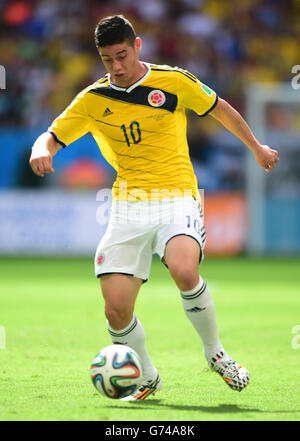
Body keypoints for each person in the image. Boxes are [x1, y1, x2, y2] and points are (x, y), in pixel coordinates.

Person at [29, 15, 279, 400]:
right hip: (128, 206)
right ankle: (147, 375)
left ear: (138, 46)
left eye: (123, 55)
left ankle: (216, 354)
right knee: (115, 310)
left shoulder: (173, 82)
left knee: (182, 267)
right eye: (108, 59)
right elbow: (53, 134)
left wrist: (257, 147)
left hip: (177, 195)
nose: (117, 66)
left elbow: (221, 108)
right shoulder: (92, 100)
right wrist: (39, 149)